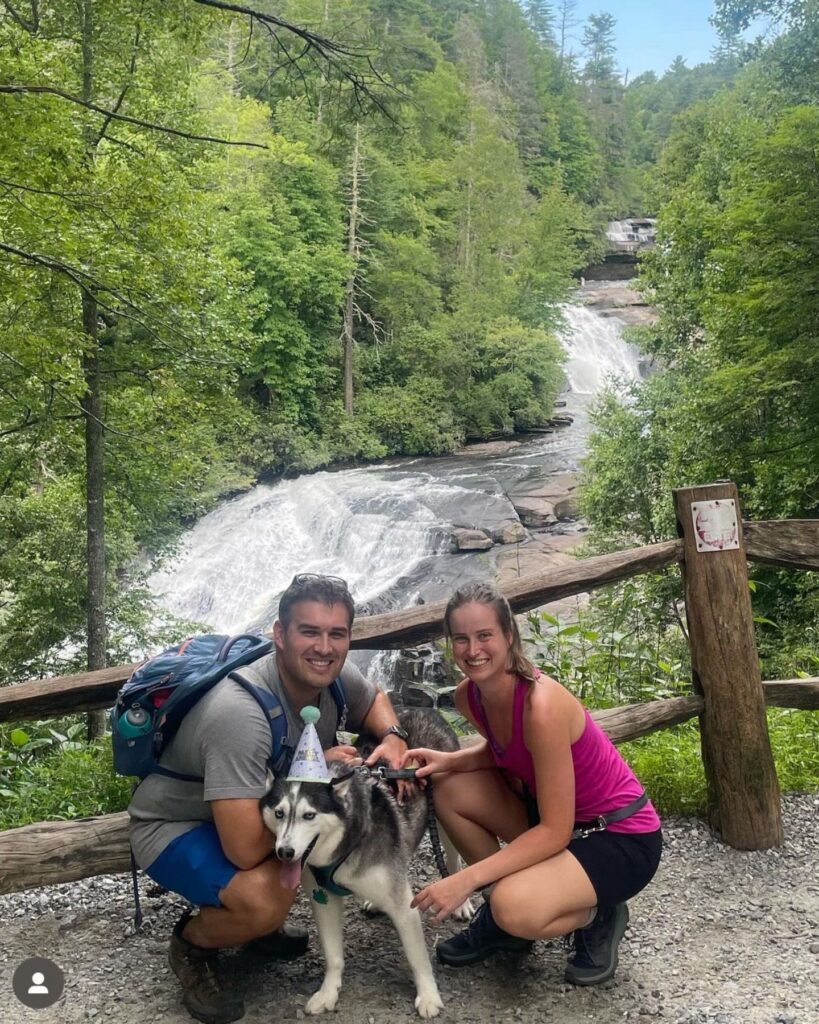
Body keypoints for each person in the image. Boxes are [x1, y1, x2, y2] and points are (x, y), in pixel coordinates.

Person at [128, 573, 411, 1024]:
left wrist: (393, 736)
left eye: (336, 633)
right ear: (279, 635)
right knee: (267, 896)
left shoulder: (332, 677)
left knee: (297, 855)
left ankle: (252, 930)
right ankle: (193, 945)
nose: (324, 646)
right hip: (176, 825)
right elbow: (243, 848)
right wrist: (310, 775)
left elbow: (373, 697)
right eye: (309, 631)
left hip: (251, 811)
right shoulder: (239, 715)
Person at [404, 581, 662, 986]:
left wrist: (467, 880)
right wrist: (451, 759)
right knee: (450, 786)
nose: (473, 651)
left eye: (485, 635)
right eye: (461, 639)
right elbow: (509, 751)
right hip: (561, 822)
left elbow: (554, 832)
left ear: (509, 635)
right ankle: (512, 920)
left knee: (513, 906)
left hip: (619, 835)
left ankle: (600, 912)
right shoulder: (468, 697)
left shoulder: (542, 705)